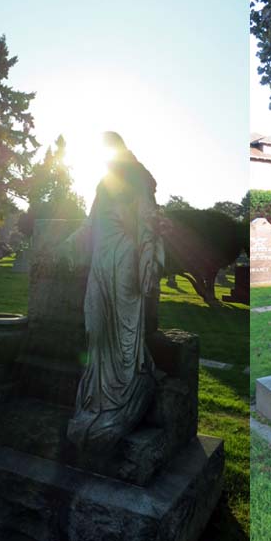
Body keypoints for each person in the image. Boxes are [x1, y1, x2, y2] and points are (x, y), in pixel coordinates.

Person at [64, 131, 165, 452]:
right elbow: (90, 224)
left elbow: (148, 224)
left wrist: (149, 258)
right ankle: (95, 400)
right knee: (95, 327)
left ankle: (123, 395)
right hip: (99, 262)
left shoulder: (137, 179)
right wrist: (64, 247)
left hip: (123, 262)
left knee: (123, 336)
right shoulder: (102, 185)